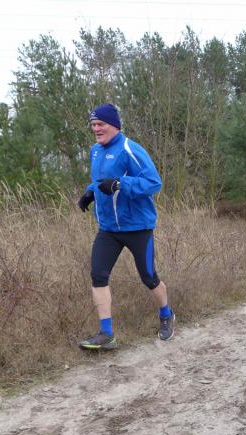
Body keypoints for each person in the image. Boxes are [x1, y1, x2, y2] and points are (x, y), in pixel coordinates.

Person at [76, 103, 175, 349]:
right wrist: (90, 192)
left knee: (149, 277)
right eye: (93, 125)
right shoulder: (95, 151)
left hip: (137, 227)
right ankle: (106, 334)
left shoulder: (130, 149)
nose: (96, 129)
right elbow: (100, 181)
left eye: (100, 124)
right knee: (98, 275)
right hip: (109, 229)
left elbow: (153, 182)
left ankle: (166, 314)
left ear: (114, 125)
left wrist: (121, 184)